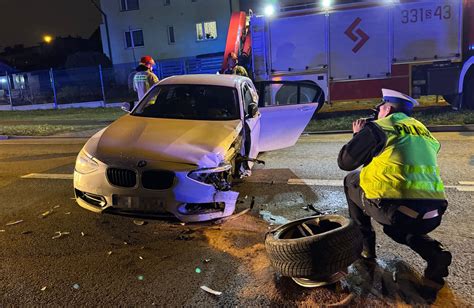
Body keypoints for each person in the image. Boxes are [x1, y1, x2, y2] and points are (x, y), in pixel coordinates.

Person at [338, 89, 452, 295]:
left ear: (388, 108)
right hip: (433, 213)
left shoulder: (380, 128)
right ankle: (435, 253)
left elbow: (345, 162)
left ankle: (365, 248)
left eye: (380, 107)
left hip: (397, 211)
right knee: (397, 227)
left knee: (350, 181)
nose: (377, 112)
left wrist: (358, 136)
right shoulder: (423, 130)